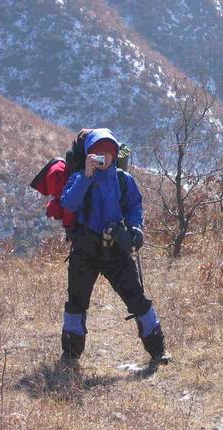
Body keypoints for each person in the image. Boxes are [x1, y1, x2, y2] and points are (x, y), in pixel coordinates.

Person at [59, 128, 169, 366]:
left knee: (137, 298)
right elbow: (68, 203)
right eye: (97, 153)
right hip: (85, 250)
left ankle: (158, 350)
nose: (103, 157)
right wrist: (86, 176)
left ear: (115, 154)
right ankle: (70, 355)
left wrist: (136, 229)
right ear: (88, 154)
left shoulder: (123, 179)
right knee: (76, 303)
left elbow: (134, 207)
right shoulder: (79, 177)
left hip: (116, 249)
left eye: (107, 152)